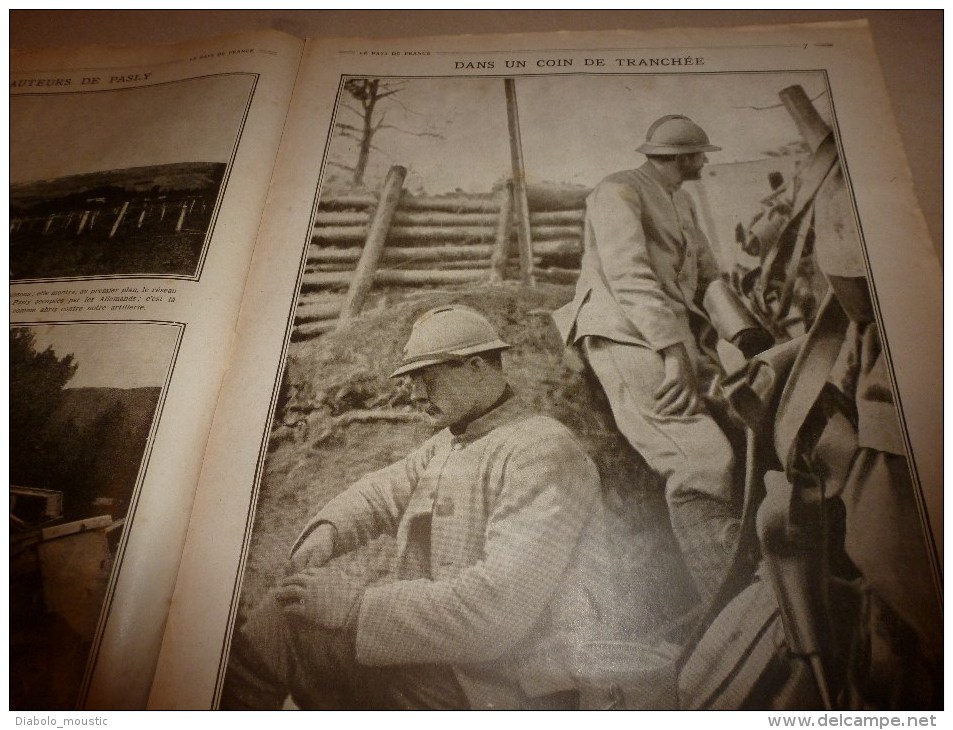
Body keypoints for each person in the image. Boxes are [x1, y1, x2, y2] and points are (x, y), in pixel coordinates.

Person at [222, 305, 612, 710]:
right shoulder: (456, 440)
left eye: (428, 378)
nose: (416, 395)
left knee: (289, 627)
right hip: (454, 665)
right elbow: (382, 492)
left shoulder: (543, 452)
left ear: (477, 367)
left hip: (509, 691)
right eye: (411, 380)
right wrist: (329, 532)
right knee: (284, 619)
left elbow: (494, 612)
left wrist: (355, 606)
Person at [552, 114, 738, 605]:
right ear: (685, 157)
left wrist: (744, 337)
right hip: (624, 335)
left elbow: (709, 275)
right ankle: (730, 608)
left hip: (673, 338)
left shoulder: (680, 199)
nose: (702, 162)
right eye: (700, 155)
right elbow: (629, 276)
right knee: (702, 460)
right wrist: (674, 355)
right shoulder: (617, 192)